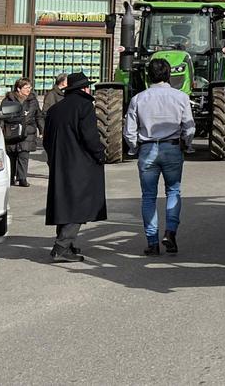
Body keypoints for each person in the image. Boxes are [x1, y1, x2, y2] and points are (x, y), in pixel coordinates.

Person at [123, 58, 195, 256]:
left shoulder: (138, 98)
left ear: (148, 75)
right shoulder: (180, 97)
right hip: (172, 148)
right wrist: (186, 145)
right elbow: (189, 128)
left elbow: (129, 131)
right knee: (173, 191)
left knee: (148, 197)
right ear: (169, 74)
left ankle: (152, 242)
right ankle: (170, 233)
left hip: (147, 149)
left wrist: (134, 147)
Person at [43, 72, 106, 263]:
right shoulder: (84, 106)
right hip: (81, 163)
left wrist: (54, 157)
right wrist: (99, 154)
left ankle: (67, 245)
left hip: (59, 163)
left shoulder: (55, 109)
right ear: (84, 88)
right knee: (81, 204)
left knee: (63, 203)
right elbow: (90, 137)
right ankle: (61, 246)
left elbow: (46, 140)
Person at [2, 78, 40, 187]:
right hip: (12, 130)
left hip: (27, 130)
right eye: (26, 87)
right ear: (19, 89)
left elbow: (38, 116)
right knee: (12, 154)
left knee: (24, 154)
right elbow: (2, 114)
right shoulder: (8, 100)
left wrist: (43, 130)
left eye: (30, 87)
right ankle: (10, 177)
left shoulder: (33, 100)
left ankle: (22, 178)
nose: (29, 89)